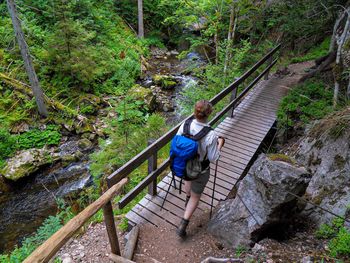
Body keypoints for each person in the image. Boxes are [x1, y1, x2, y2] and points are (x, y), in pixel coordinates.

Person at [176, 100, 225, 238]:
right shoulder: (211, 134)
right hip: (201, 169)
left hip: (184, 165)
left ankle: (187, 197)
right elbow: (214, 157)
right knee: (196, 196)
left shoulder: (184, 125)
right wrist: (220, 144)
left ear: (194, 111)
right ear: (208, 114)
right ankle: (183, 224)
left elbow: (177, 141)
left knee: (188, 179)